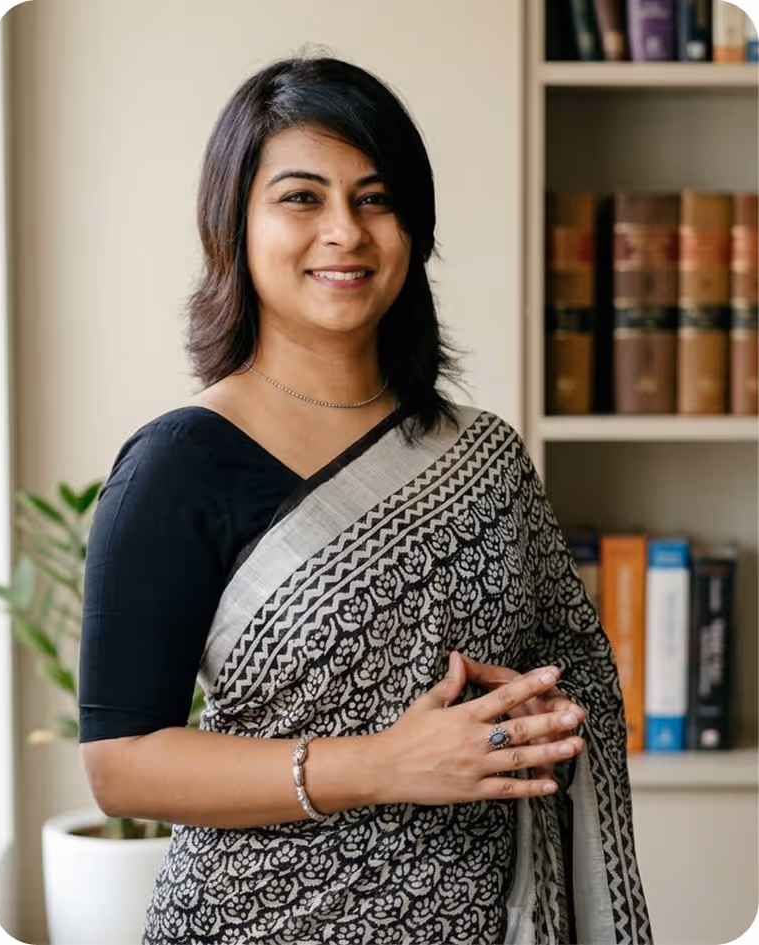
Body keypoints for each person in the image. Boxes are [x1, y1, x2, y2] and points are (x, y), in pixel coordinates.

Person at [78, 56, 652, 945]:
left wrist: (543, 712)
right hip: (259, 921)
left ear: (413, 228)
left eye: (375, 198)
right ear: (235, 223)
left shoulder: (485, 455)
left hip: (479, 920)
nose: (344, 231)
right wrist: (385, 763)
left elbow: (566, 666)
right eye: (302, 198)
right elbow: (121, 766)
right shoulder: (177, 464)